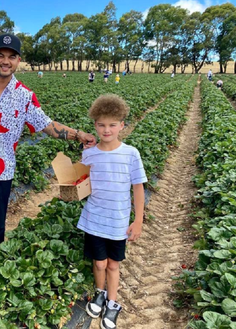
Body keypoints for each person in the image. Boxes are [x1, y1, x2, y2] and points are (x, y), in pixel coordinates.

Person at [0, 33, 96, 283]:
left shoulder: (24, 95)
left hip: (2, 170)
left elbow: (46, 125)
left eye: (11, 57)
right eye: (1, 55)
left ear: (18, 61)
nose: (6, 61)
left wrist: (78, 134)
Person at [78, 94, 147, 329]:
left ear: (122, 125)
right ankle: (99, 293)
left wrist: (137, 221)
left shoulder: (131, 154)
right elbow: (81, 183)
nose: (106, 130)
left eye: (112, 124)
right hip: (94, 218)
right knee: (99, 263)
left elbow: (138, 189)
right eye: (101, 124)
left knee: (113, 265)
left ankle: (113, 302)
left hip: (118, 221)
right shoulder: (89, 154)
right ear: (95, 125)